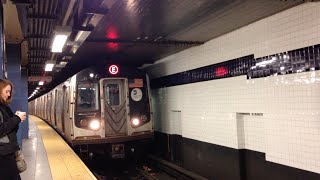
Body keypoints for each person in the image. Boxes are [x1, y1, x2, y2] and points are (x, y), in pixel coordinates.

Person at [0, 79, 26, 180]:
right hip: (2, 154)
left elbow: (10, 127)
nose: (9, 94)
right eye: (6, 91)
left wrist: (16, 118)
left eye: (10, 92)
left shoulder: (4, 107)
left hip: (7, 152)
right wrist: (17, 118)